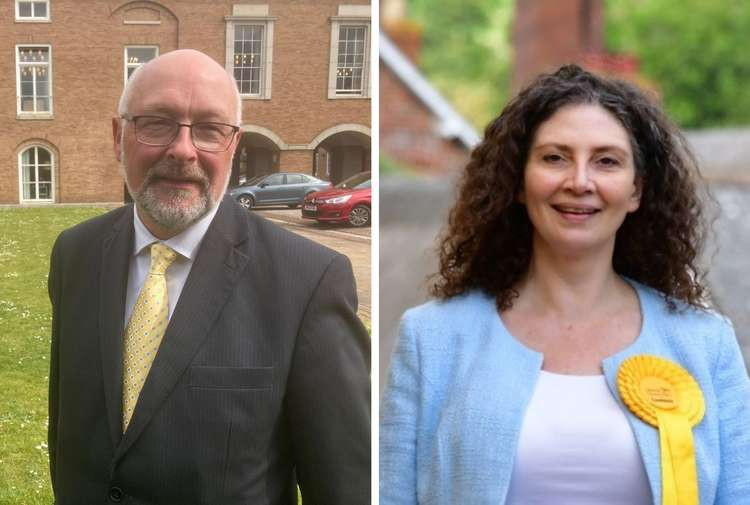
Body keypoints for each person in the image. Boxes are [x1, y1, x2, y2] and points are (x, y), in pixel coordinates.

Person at [380, 65, 750, 504]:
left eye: (606, 161)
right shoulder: (431, 338)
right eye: (555, 157)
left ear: (636, 191)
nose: (579, 181)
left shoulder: (706, 343)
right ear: (518, 182)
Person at [47, 49, 370, 504]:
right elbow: (65, 430)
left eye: (210, 129)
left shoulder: (309, 282)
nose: (183, 149)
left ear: (233, 145)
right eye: (157, 122)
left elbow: (343, 488)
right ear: (119, 136)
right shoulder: (74, 255)